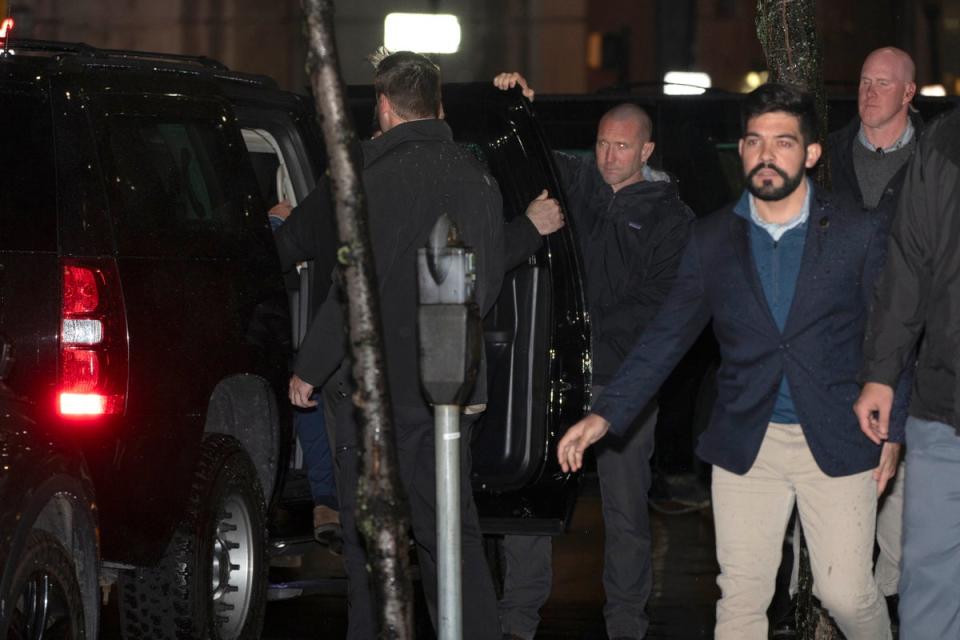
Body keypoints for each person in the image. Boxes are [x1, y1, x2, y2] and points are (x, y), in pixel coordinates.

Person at [557, 83, 907, 640]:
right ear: (742, 150)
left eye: (784, 142)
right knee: (741, 597)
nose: (767, 155)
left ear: (811, 154)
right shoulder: (712, 239)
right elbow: (666, 335)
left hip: (838, 437)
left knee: (844, 593)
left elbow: (890, 330)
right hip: (749, 441)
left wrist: (894, 425)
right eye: (755, 141)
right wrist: (604, 415)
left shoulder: (857, 232)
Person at [285, 50, 507, 640]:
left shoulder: (369, 182)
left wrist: (309, 368)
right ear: (437, 106)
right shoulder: (477, 177)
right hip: (450, 389)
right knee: (451, 535)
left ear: (382, 107)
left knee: (375, 545)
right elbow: (487, 286)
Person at [493, 72, 695, 640]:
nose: (609, 155)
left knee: (626, 511)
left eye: (623, 146)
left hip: (622, 383)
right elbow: (524, 156)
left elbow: (656, 307)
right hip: (553, 378)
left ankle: (626, 622)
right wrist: (521, 107)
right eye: (603, 143)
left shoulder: (670, 217)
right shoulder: (577, 180)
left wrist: (580, 330)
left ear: (646, 150)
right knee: (528, 498)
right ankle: (517, 619)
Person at [853, 106, 960, 639]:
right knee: (930, 582)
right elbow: (908, 269)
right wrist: (881, 375)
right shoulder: (944, 144)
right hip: (944, 405)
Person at [824, 44, 919, 611]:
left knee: (900, 511)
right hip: (836, 357)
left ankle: (886, 612)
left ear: (909, 93)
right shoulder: (829, 157)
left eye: (883, 83)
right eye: (863, 81)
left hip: (911, 358)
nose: (869, 92)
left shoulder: (937, 162)